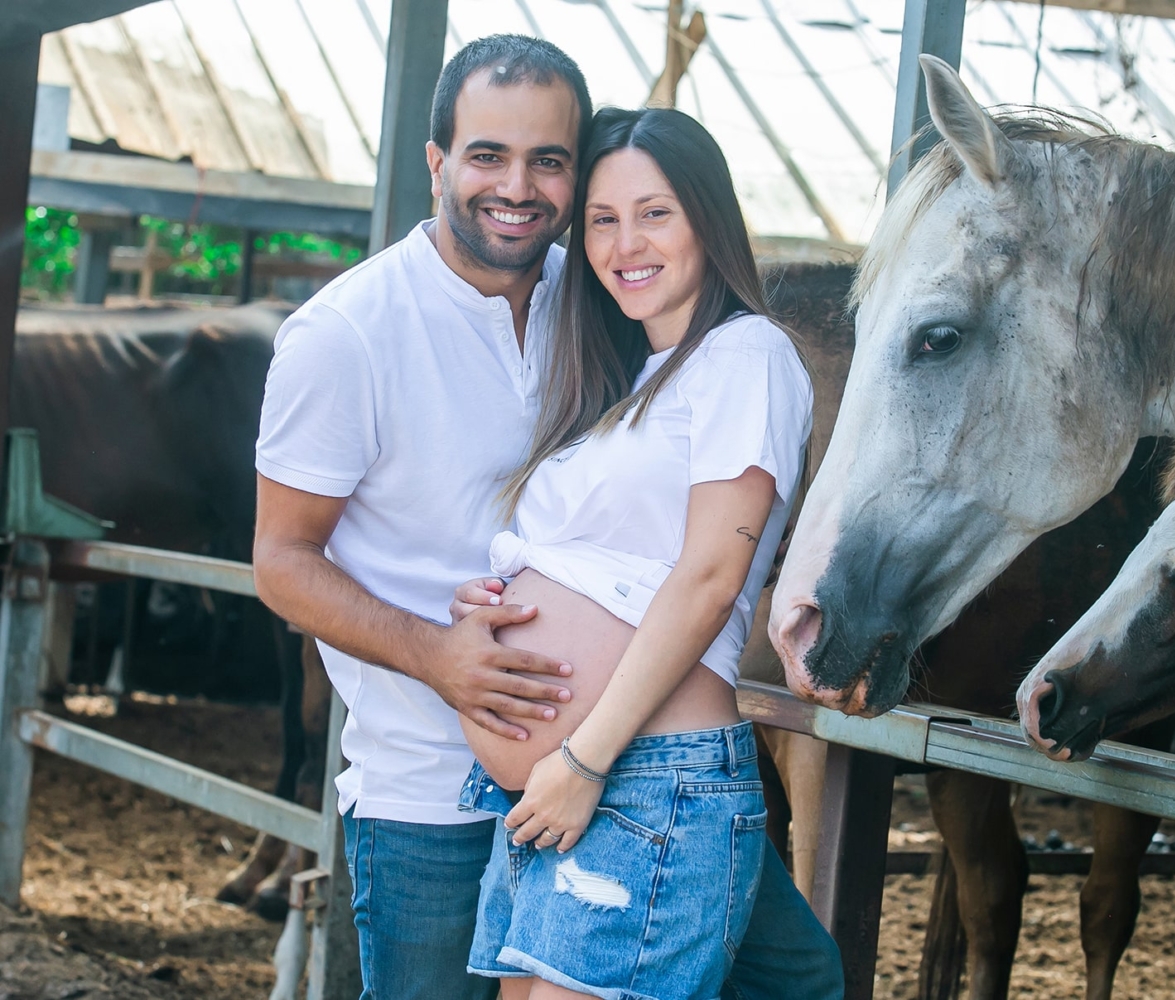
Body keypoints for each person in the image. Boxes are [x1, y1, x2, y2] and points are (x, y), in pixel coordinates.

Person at [252, 34, 843, 1000]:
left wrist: (579, 743)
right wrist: (438, 649)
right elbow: (280, 560)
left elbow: (686, 549)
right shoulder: (348, 333)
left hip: (623, 767)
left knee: (795, 978)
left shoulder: (607, 296)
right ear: (438, 162)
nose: (517, 186)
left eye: (550, 161)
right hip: (431, 784)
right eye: (488, 154)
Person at [453, 104, 811, 1000]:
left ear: (708, 219)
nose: (623, 245)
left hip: (641, 777)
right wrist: (490, 607)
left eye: (654, 213)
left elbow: (708, 578)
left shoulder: (747, 354)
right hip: (553, 789)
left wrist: (582, 761)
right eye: (603, 221)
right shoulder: (629, 382)